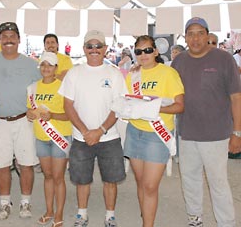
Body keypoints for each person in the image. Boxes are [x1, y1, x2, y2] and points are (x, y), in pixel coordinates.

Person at [171, 17, 241, 227]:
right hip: (187, 133)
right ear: (185, 37)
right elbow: (165, 85)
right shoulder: (179, 61)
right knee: (189, 179)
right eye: (190, 33)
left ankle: (226, 223)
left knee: (218, 182)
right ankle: (195, 219)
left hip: (217, 134)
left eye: (200, 32)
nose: (195, 38)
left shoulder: (224, 59)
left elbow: (236, 97)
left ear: (208, 35)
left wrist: (237, 133)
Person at [59, 30, 127, 227]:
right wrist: (85, 131)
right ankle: (82, 214)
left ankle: (110, 215)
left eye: (98, 46)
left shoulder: (114, 74)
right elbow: (68, 105)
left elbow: (119, 106)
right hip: (81, 138)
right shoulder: (74, 73)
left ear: (105, 49)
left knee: (111, 179)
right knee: (82, 179)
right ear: (84, 49)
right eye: (90, 46)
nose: (94, 50)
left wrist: (100, 130)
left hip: (109, 137)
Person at [0, 22, 41, 220]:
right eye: (5, 36)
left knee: (27, 163)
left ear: (19, 39)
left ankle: (25, 202)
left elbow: (46, 85)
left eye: (13, 36)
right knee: (1, 164)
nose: (9, 40)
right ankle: (4, 203)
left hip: (24, 121)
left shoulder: (31, 63)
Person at [122, 35, 184, 227]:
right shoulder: (132, 75)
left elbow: (179, 106)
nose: (143, 55)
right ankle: (146, 217)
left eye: (148, 50)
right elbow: (127, 100)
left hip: (158, 134)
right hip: (135, 132)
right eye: (139, 51)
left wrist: (154, 109)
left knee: (150, 186)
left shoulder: (168, 73)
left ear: (156, 51)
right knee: (141, 183)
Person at [26, 52, 72, 227]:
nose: (46, 68)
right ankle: (49, 210)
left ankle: (59, 213)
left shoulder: (63, 87)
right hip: (41, 137)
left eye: (50, 65)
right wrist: (30, 114)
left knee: (58, 177)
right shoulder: (32, 88)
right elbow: (30, 111)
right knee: (48, 176)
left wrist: (52, 116)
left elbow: (70, 114)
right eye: (43, 64)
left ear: (56, 68)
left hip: (59, 136)